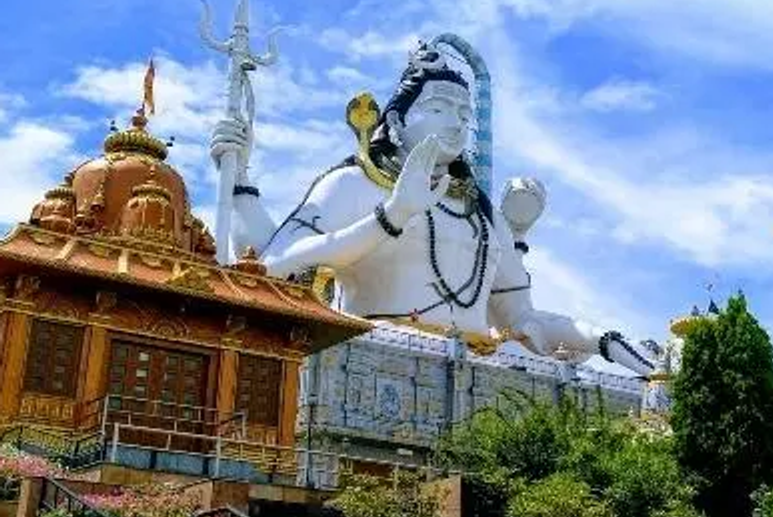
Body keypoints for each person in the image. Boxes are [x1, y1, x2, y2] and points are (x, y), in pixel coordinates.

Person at [210, 40, 654, 375]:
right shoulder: (355, 183)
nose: (457, 121)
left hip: (485, 370)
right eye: (440, 107)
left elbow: (521, 317)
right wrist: (392, 216)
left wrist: (606, 341)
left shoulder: (481, 215)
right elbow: (275, 263)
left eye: (464, 113)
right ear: (397, 121)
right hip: (373, 360)